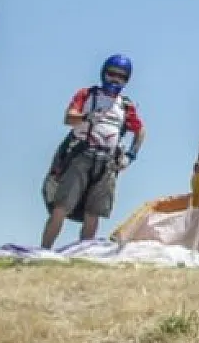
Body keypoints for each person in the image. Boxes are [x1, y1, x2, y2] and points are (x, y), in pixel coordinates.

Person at [40, 54, 146, 249]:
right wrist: (86, 117)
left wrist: (131, 155)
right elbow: (68, 118)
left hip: (107, 161)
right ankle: (45, 249)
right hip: (82, 155)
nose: (115, 79)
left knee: (94, 211)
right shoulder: (87, 95)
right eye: (112, 74)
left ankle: (83, 251)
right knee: (61, 206)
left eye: (121, 76)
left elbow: (140, 130)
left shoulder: (125, 105)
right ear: (103, 73)